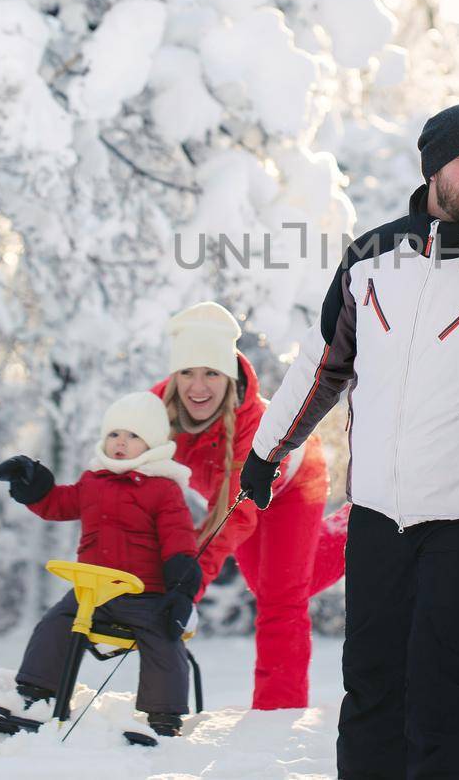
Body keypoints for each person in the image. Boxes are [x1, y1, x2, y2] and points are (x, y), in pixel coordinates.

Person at [239, 102, 459, 779]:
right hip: (375, 510)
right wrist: (265, 451)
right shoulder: (369, 259)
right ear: (434, 167)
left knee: (436, 684)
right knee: (368, 682)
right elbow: (321, 365)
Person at [152, 301, 346, 710]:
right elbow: (127, 469)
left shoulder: (251, 423)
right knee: (271, 582)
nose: (198, 386)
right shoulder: (156, 413)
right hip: (234, 499)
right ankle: (353, 529)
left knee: (281, 598)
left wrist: (191, 583)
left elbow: (233, 515)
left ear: (230, 375)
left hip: (292, 485)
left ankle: (278, 713)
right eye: (187, 372)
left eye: (211, 373)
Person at [0, 391, 201, 738]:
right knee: (55, 623)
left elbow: (179, 538)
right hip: (92, 594)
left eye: (133, 436)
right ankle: (36, 693)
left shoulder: (163, 490)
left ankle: (164, 716)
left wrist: (180, 590)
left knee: (164, 639)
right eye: (114, 434)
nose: (121, 443)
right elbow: (59, 504)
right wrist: (34, 485)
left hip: (143, 595)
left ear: (153, 444)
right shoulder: (93, 482)